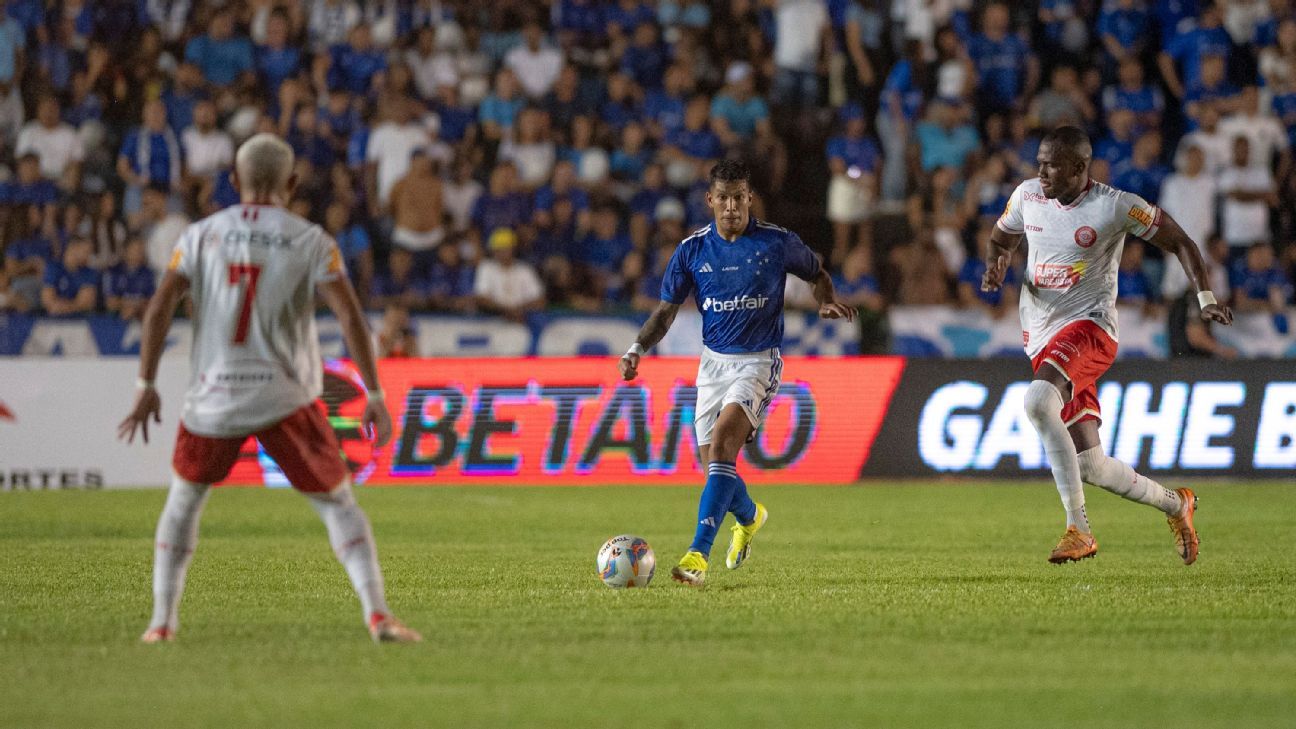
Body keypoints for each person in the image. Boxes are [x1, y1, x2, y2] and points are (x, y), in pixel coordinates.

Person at [117, 134, 419, 644]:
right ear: (293, 183)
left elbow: (159, 308)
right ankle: (377, 616)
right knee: (338, 505)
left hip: (215, 395)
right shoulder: (311, 240)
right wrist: (374, 394)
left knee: (184, 501)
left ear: (233, 181)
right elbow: (348, 315)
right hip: (285, 396)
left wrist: (145, 382)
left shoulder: (198, 236)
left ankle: (161, 624)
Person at [983, 126, 1233, 566]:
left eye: (1052, 165)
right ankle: (1178, 505)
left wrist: (1205, 298)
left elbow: (1180, 241)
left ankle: (1078, 529)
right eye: (1039, 163)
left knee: (1039, 401)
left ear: (1080, 169)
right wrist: (996, 263)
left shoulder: (1116, 206)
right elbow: (1001, 237)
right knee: (1091, 466)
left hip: (1090, 328)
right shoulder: (1026, 196)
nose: (1041, 172)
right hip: (1041, 336)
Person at [617, 160, 854, 587]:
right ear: (710, 201)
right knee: (715, 468)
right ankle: (750, 516)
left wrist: (825, 299)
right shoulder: (691, 251)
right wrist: (636, 349)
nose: (731, 207)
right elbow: (665, 313)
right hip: (712, 366)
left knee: (725, 445)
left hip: (758, 361)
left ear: (750, 199)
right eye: (722, 198)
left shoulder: (776, 242)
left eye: (739, 198)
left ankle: (696, 556)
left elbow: (816, 272)